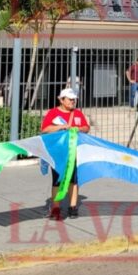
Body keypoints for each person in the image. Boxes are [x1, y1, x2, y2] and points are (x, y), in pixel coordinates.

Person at [41, 88, 91, 220]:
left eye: (74, 99)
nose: (72, 101)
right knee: (57, 180)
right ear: (61, 100)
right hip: (57, 153)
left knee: (73, 180)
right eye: (70, 99)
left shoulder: (78, 114)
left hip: (74, 152)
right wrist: (61, 127)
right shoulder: (53, 113)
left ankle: (73, 208)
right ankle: (56, 208)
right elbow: (45, 129)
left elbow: (86, 128)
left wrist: (79, 129)